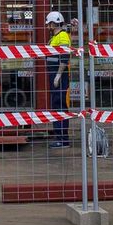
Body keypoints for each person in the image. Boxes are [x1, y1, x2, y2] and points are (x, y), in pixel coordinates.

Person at [44, 11, 72, 148]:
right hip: (54, 74)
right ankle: (60, 137)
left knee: (60, 105)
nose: (48, 26)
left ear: (53, 22)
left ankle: (62, 138)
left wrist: (58, 75)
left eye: (49, 23)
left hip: (59, 75)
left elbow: (64, 57)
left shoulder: (62, 36)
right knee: (56, 105)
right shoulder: (56, 36)